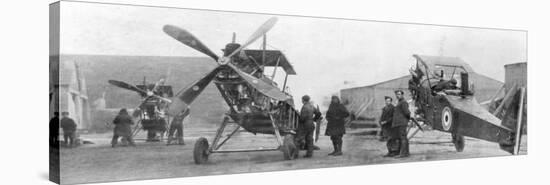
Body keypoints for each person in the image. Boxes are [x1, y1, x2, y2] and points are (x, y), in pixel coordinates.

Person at [392, 90, 411, 158]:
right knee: (402, 138)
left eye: (399, 94)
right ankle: (405, 153)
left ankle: (403, 154)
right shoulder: (399, 102)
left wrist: (406, 119)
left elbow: (407, 112)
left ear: (402, 95)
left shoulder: (403, 102)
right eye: (397, 94)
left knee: (403, 138)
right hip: (399, 123)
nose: (397, 95)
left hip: (402, 123)